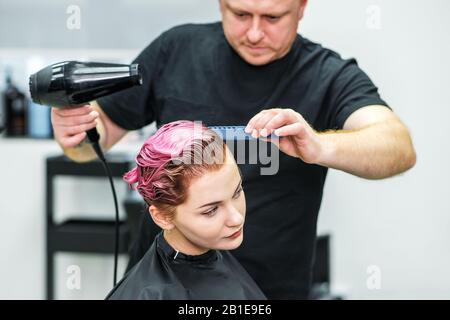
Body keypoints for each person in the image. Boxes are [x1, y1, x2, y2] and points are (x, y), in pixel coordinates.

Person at [51, 0, 416, 299]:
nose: (255, 32)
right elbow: (92, 143)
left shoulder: (329, 76)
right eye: (240, 14)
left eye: (273, 17)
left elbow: (397, 147)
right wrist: (77, 134)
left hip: (269, 289)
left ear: (302, 7)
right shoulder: (175, 50)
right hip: (166, 283)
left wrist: (319, 145)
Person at [106, 120, 266, 299]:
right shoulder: (150, 294)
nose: (236, 218)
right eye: (211, 210)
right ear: (163, 217)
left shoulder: (212, 249)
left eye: (237, 192)